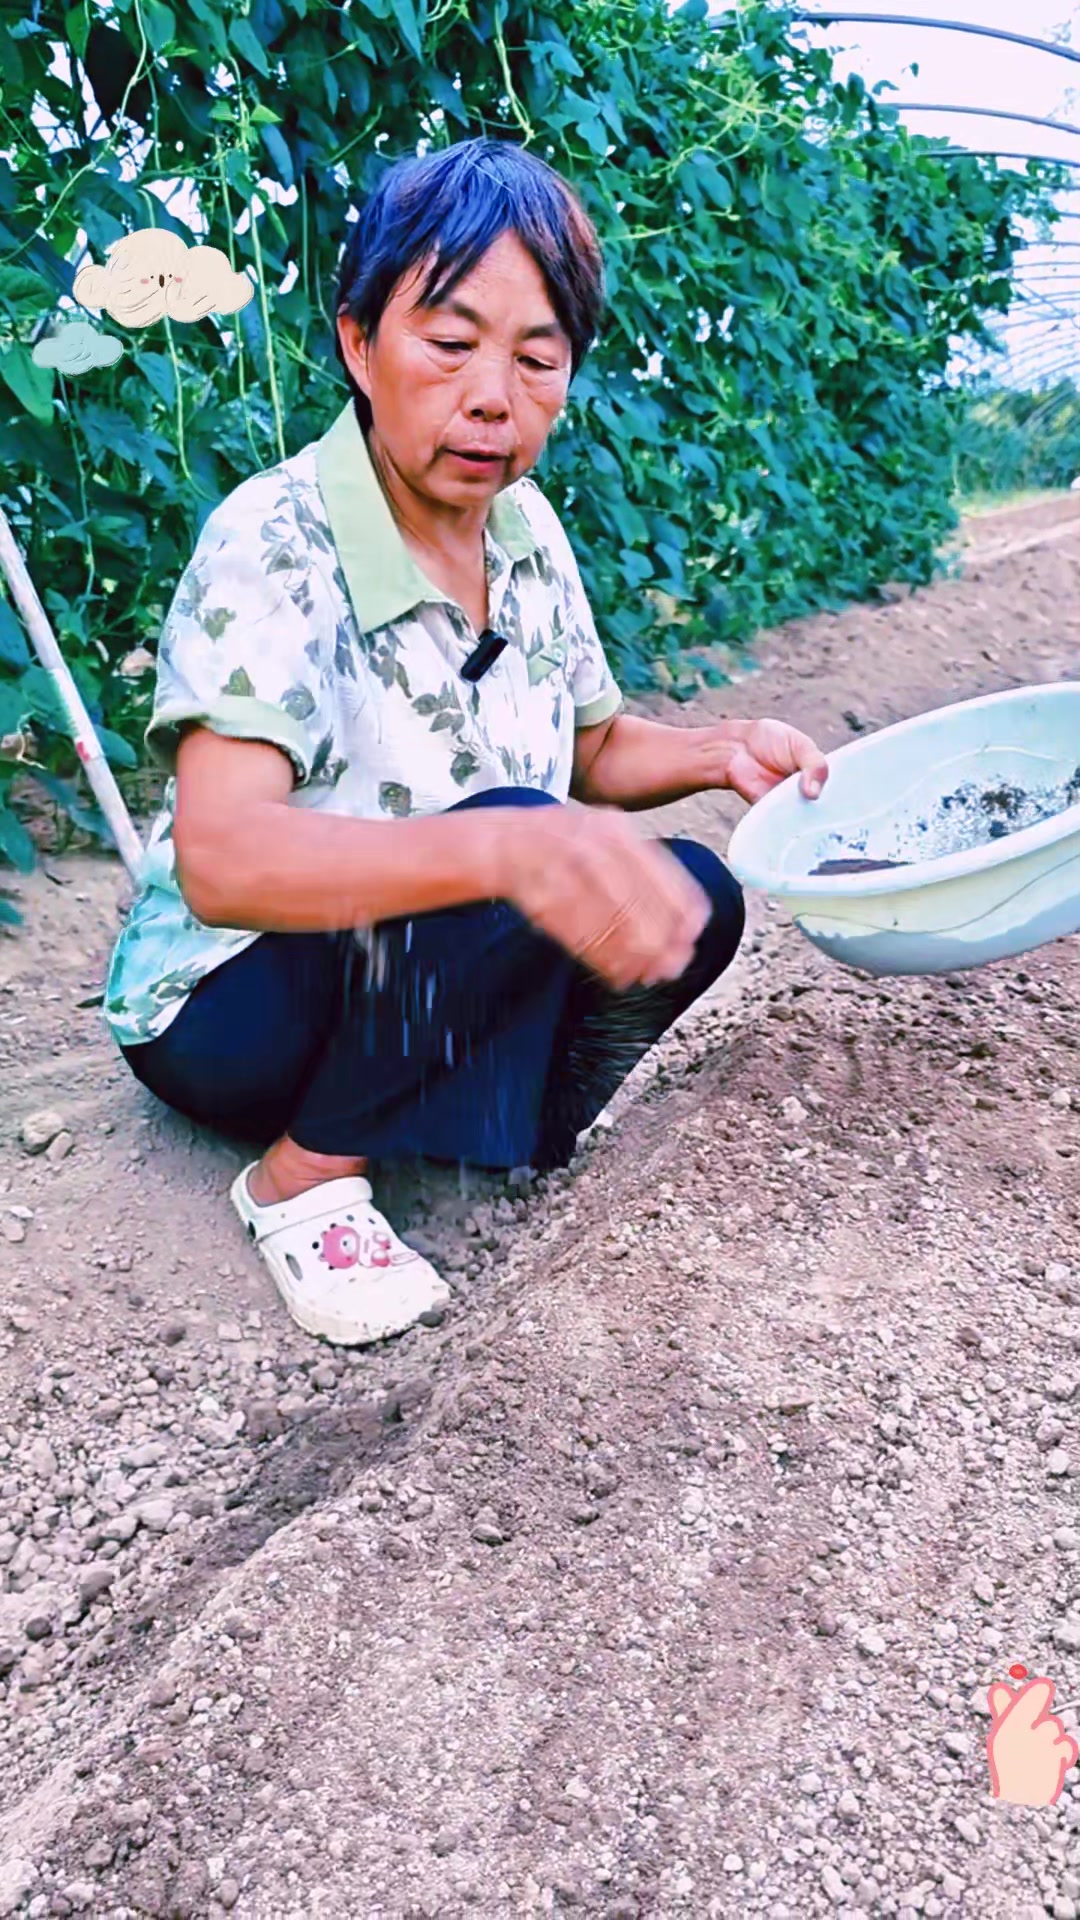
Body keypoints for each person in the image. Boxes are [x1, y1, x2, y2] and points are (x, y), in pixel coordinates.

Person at [105, 137, 828, 1348]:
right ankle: (304, 1177)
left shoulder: (528, 532)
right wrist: (508, 855)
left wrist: (717, 751)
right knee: (522, 840)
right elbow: (225, 861)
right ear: (359, 345)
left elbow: (593, 750)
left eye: (537, 359)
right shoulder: (275, 541)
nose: (493, 395)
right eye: (449, 345)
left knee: (694, 894)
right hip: (234, 1005)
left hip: (425, 970)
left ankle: (495, 1127)